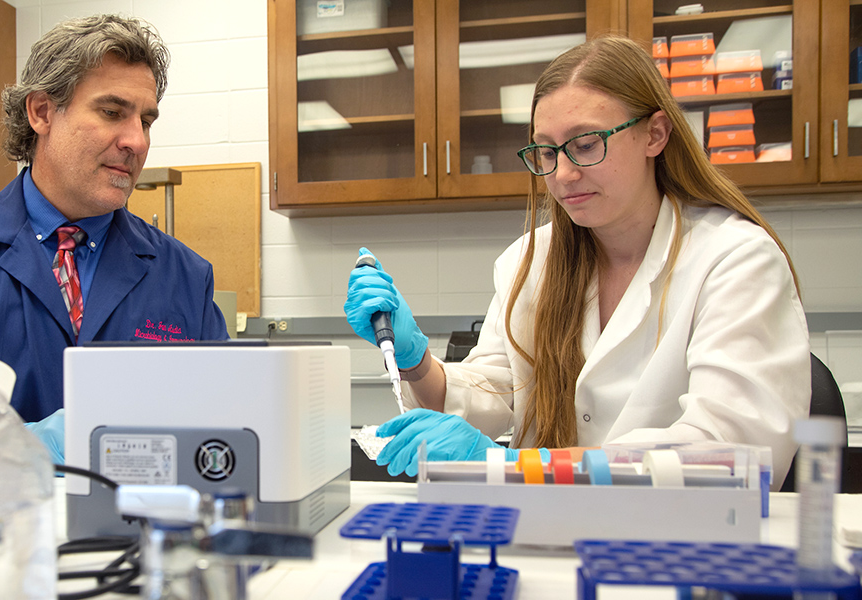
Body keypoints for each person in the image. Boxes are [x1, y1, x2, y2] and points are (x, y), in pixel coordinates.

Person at [345, 36, 809, 482]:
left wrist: (516, 467)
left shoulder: (735, 260)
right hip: (547, 533)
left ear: (655, 134)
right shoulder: (532, 261)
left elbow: (733, 454)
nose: (563, 174)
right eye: (546, 151)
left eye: (586, 144)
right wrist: (415, 361)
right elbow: (495, 393)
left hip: (680, 546)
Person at [0, 15, 229, 463]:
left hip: (138, 528)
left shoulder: (185, 276)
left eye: (145, 120)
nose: (136, 140)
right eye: (112, 112)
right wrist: (8, 450)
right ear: (42, 112)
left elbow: (226, 433)